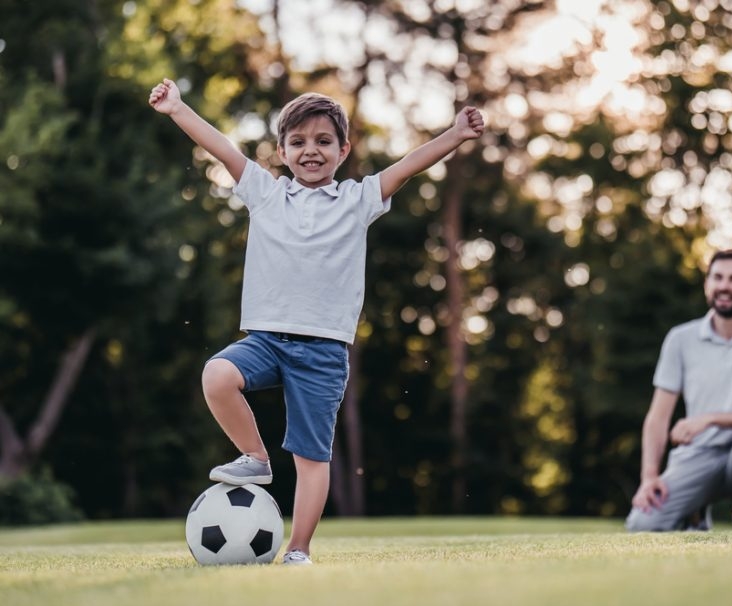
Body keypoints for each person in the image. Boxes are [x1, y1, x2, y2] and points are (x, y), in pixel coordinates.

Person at [149, 78, 485, 564]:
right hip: (266, 339)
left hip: (323, 351)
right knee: (217, 374)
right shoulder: (265, 193)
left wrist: (454, 134)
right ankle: (256, 458)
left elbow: (408, 166)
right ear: (282, 151)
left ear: (343, 149)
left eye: (323, 141)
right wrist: (179, 109)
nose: (311, 151)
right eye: (299, 142)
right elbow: (220, 147)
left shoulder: (358, 199)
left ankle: (298, 550)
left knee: (312, 459)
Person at [625, 249, 732, 532]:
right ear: (707, 284)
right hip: (698, 456)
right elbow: (658, 417)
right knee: (642, 525)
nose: (724, 286)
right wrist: (649, 477)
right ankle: (696, 512)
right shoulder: (680, 339)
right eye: (717, 277)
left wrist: (709, 418)